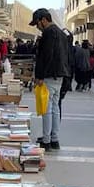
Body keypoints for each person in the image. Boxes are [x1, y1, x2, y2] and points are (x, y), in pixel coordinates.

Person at [30, 8, 69, 151]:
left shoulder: (48, 33)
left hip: (48, 75)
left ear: (44, 20)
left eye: (37, 23)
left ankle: (46, 140)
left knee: (46, 109)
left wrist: (39, 76)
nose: (37, 27)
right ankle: (54, 139)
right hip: (60, 75)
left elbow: (46, 56)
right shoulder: (61, 33)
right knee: (55, 107)